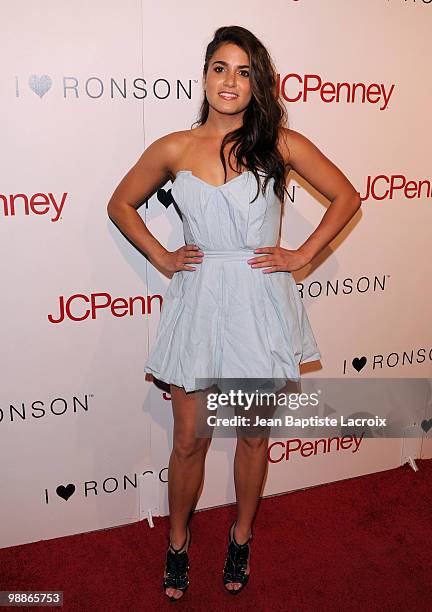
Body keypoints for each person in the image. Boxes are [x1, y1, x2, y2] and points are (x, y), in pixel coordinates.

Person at [107, 25, 361, 601]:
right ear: (204, 75)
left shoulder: (279, 145)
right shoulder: (173, 147)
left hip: (256, 301)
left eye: (245, 71)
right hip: (199, 301)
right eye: (221, 67)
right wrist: (163, 256)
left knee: (251, 437)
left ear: (258, 84)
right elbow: (120, 203)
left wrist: (300, 256)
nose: (231, 81)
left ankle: (241, 534)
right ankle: (177, 543)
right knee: (189, 439)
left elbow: (346, 195)